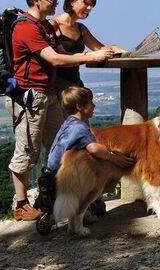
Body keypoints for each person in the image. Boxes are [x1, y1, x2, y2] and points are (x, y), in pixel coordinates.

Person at [6, 0, 113, 221]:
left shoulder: (42, 25)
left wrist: (95, 54)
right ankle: (21, 204)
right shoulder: (27, 27)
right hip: (31, 96)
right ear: (36, 0)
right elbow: (54, 58)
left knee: (58, 149)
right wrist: (90, 56)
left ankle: (52, 200)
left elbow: (64, 54)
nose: (56, 0)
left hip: (49, 94)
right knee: (27, 151)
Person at [40, 86, 135, 218]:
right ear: (80, 106)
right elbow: (94, 149)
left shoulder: (68, 123)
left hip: (51, 170)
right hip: (63, 172)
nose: (94, 106)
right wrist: (113, 157)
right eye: (91, 103)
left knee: (100, 209)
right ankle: (81, 214)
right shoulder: (80, 128)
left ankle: (83, 213)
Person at [49, 0, 126, 97]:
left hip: (75, 85)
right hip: (57, 88)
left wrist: (114, 47)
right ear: (72, 1)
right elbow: (55, 57)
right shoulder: (54, 25)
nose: (89, 8)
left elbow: (99, 48)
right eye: (86, 4)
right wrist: (90, 56)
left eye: (91, 5)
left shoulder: (81, 29)